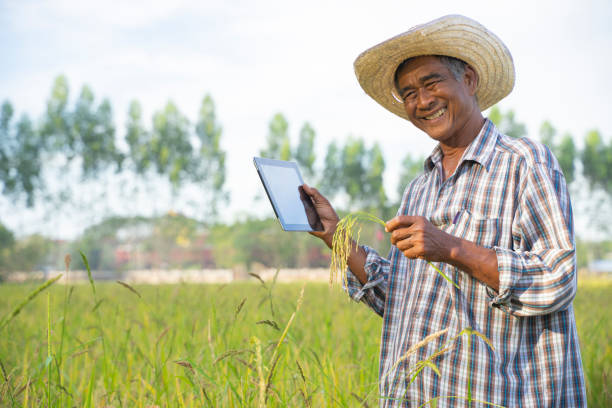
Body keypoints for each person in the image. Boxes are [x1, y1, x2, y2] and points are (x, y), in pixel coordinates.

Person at [302, 14, 586, 407]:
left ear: (468, 79)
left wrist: (450, 248)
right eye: (409, 93)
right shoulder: (419, 189)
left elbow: (558, 278)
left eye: (431, 82)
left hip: (498, 396)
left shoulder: (523, 162)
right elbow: (402, 302)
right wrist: (337, 237)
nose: (422, 101)